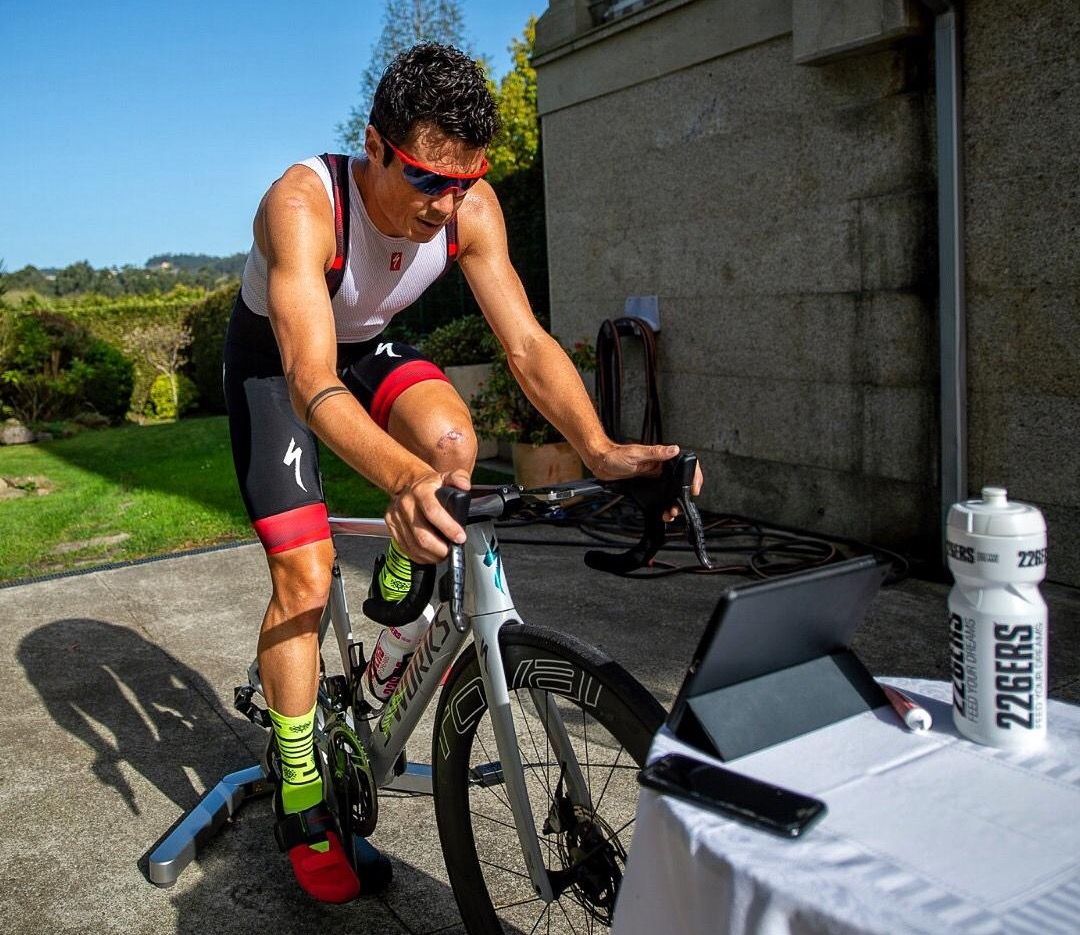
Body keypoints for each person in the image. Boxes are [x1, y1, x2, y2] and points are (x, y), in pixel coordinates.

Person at [223, 42, 702, 903]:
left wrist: (600, 449)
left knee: (451, 447)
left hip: (365, 347)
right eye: (424, 180)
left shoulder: (468, 205)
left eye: (464, 182)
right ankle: (299, 783)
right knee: (305, 574)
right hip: (281, 365)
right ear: (374, 146)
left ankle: (402, 600)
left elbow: (524, 344)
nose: (445, 207)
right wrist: (401, 482)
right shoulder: (302, 205)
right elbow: (311, 382)